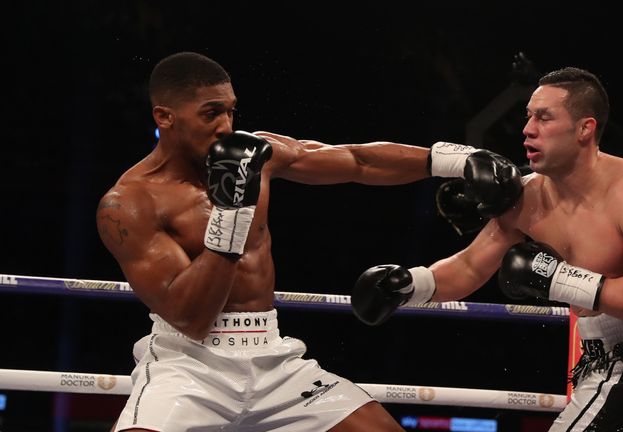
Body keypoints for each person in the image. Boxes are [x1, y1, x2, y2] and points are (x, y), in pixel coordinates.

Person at [96, 51, 521, 432]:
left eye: (230, 111)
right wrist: (232, 217)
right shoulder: (130, 204)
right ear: (165, 117)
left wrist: (455, 160)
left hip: (273, 358)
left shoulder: (256, 156)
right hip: (190, 365)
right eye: (211, 114)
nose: (226, 126)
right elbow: (191, 317)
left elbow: (356, 160)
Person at [352, 67, 623, 431]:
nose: (528, 129)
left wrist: (558, 278)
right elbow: (468, 268)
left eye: (543, 117)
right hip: (601, 359)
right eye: (528, 116)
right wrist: (408, 284)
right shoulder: (525, 197)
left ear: (584, 129)